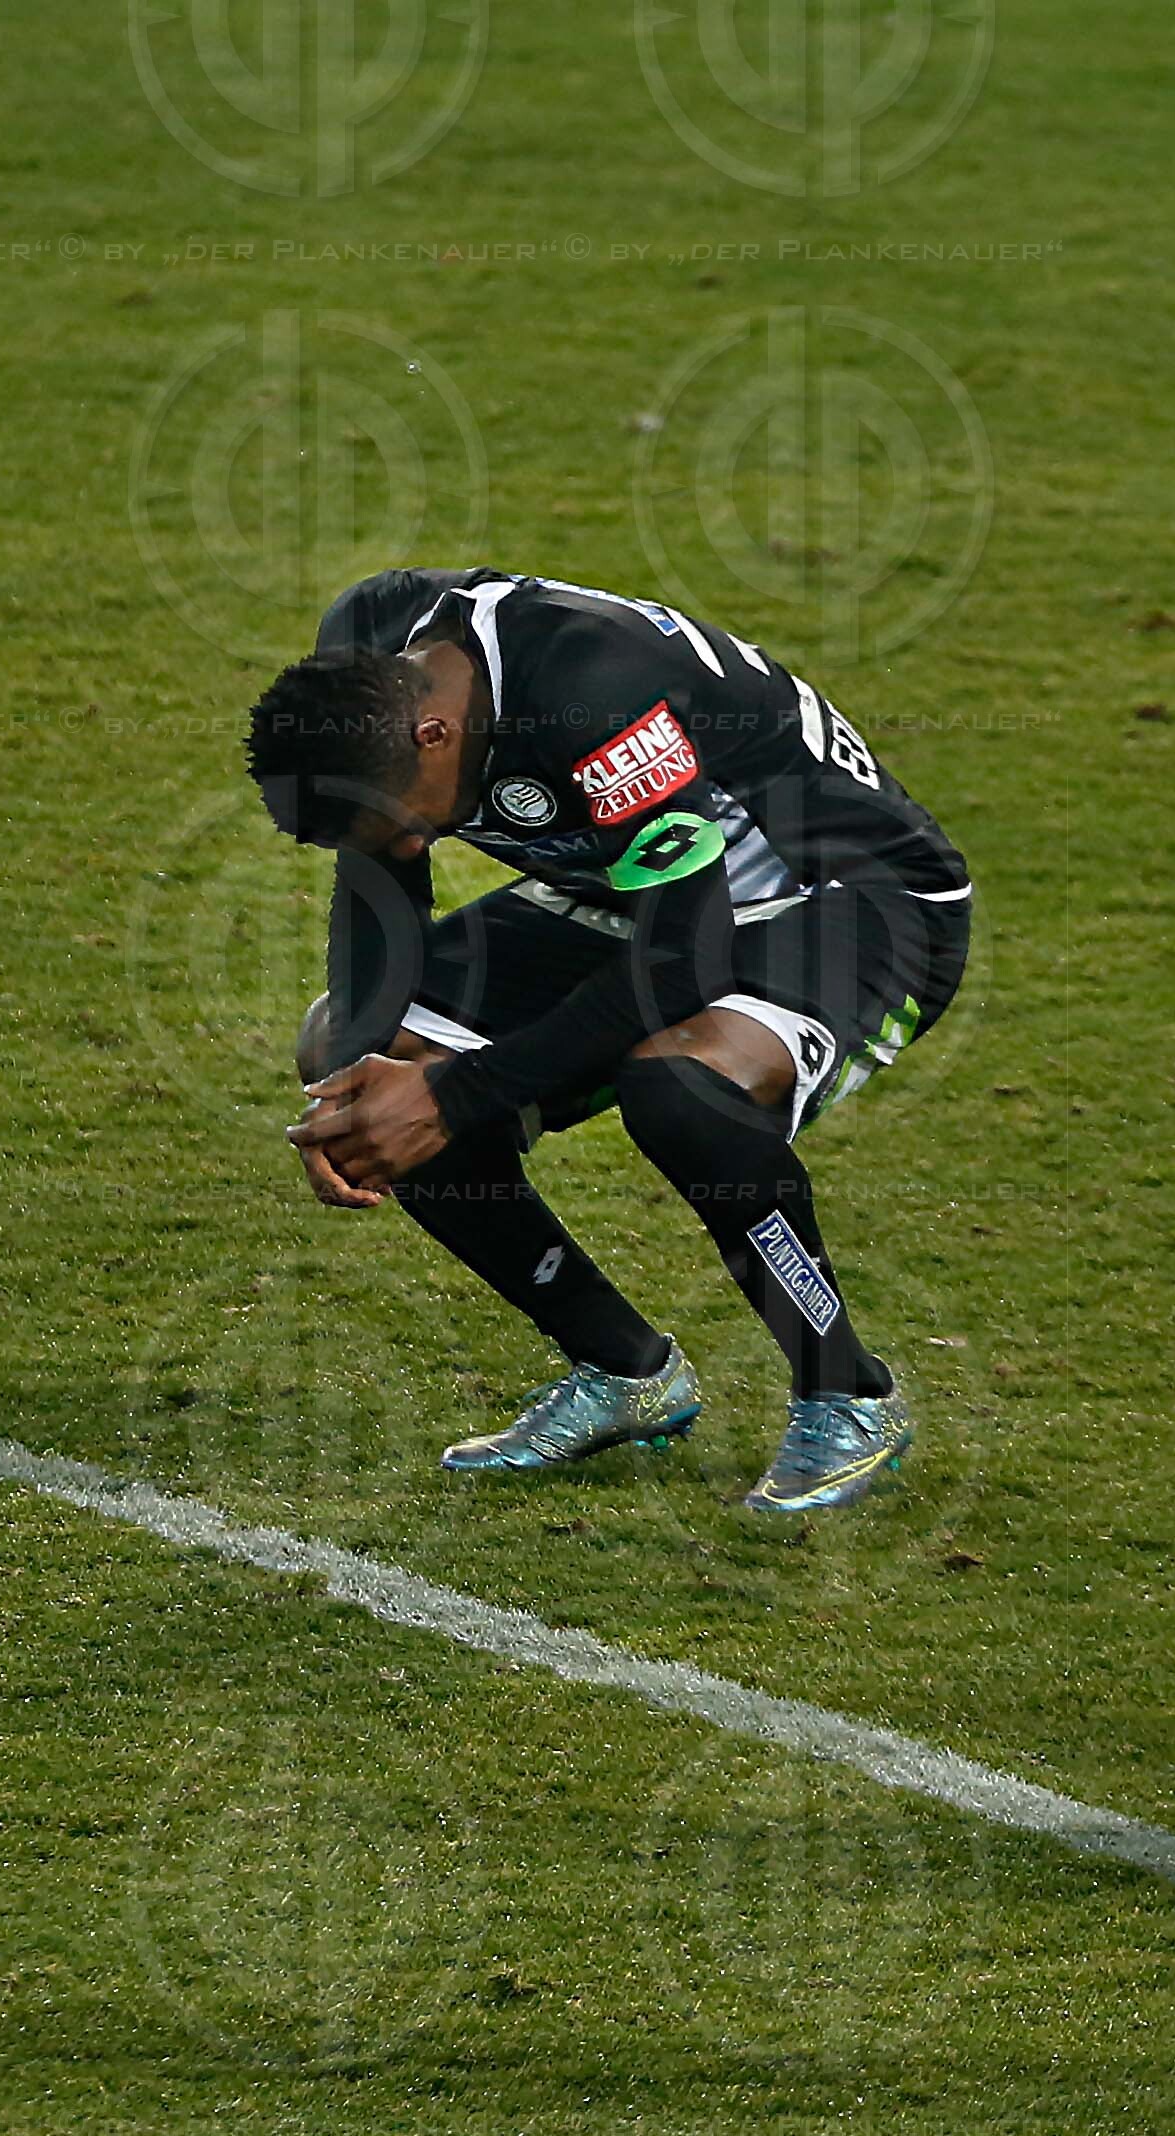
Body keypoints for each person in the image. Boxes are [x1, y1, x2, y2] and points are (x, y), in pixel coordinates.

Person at [248, 568, 973, 1514]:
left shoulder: (589, 686)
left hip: (847, 898)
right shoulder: (370, 660)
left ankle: (847, 1394)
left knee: (680, 1087)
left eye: (405, 820)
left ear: (434, 733)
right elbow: (381, 882)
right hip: (634, 893)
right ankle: (624, 1370)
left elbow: (682, 959)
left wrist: (455, 1097)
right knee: (355, 1056)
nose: (414, 844)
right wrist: (357, 1088)